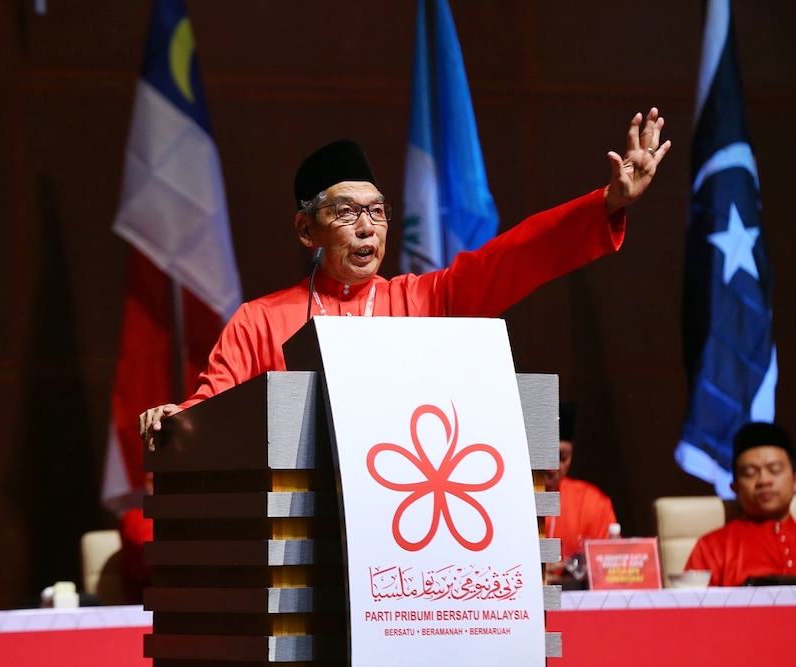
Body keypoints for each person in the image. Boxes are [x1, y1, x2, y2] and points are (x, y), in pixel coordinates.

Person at [140, 108, 672, 449]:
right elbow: (214, 412)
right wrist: (176, 419)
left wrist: (606, 205)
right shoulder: (259, 321)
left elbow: (515, 256)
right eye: (346, 213)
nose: (367, 227)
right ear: (307, 230)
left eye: (377, 211)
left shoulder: (425, 300)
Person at [685, 422, 796, 586]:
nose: (764, 481)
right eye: (750, 473)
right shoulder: (713, 547)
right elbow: (692, 609)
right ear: (735, 488)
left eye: (775, 469)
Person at [544, 402, 617, 570]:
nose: (552, 467)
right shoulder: (503, 501)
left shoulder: (593, 503)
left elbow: (606, 567)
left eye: (562, 457)